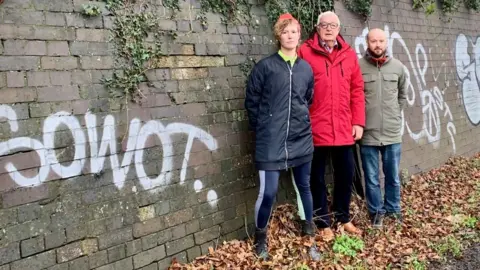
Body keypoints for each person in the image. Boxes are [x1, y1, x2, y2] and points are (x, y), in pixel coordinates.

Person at [245, 13, 319, 259]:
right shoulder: (265, 67)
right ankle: (260, 237)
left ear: (299, 36)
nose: (290, 36)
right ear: (279, 35)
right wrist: (265, 127)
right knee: (268, 192)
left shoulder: (306, 69)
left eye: (294, 32)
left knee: (305, 188)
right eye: (285, 31)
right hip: (271, 141)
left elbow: (307, 99)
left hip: (301, 139)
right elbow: (252, 102)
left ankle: (309, 235)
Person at [297, 11, 365, 240]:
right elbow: (297, 89)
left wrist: (358, 121)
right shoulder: (304, 51)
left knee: (345, 174)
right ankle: (323, 222)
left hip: (344, 127)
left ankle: (343, 217)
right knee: (315, 178)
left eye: (333, 25)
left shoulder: (348, 54)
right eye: (324, 25)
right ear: (317, 28)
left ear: (338, 29)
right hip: (315, 128)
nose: (328, 29)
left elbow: (356, 89)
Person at [358, 28, 407, 228]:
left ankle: (393, 210)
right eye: (373, 41)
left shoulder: (398, 67)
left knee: (392, 177)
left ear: (386, 43)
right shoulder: (358, 66)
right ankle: (376, 212)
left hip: (392, 133)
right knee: (371, 178)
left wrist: (394, 114)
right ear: (367, 43)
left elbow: (402, 95)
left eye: (381, 41)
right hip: (368, 134)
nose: (377, 45)